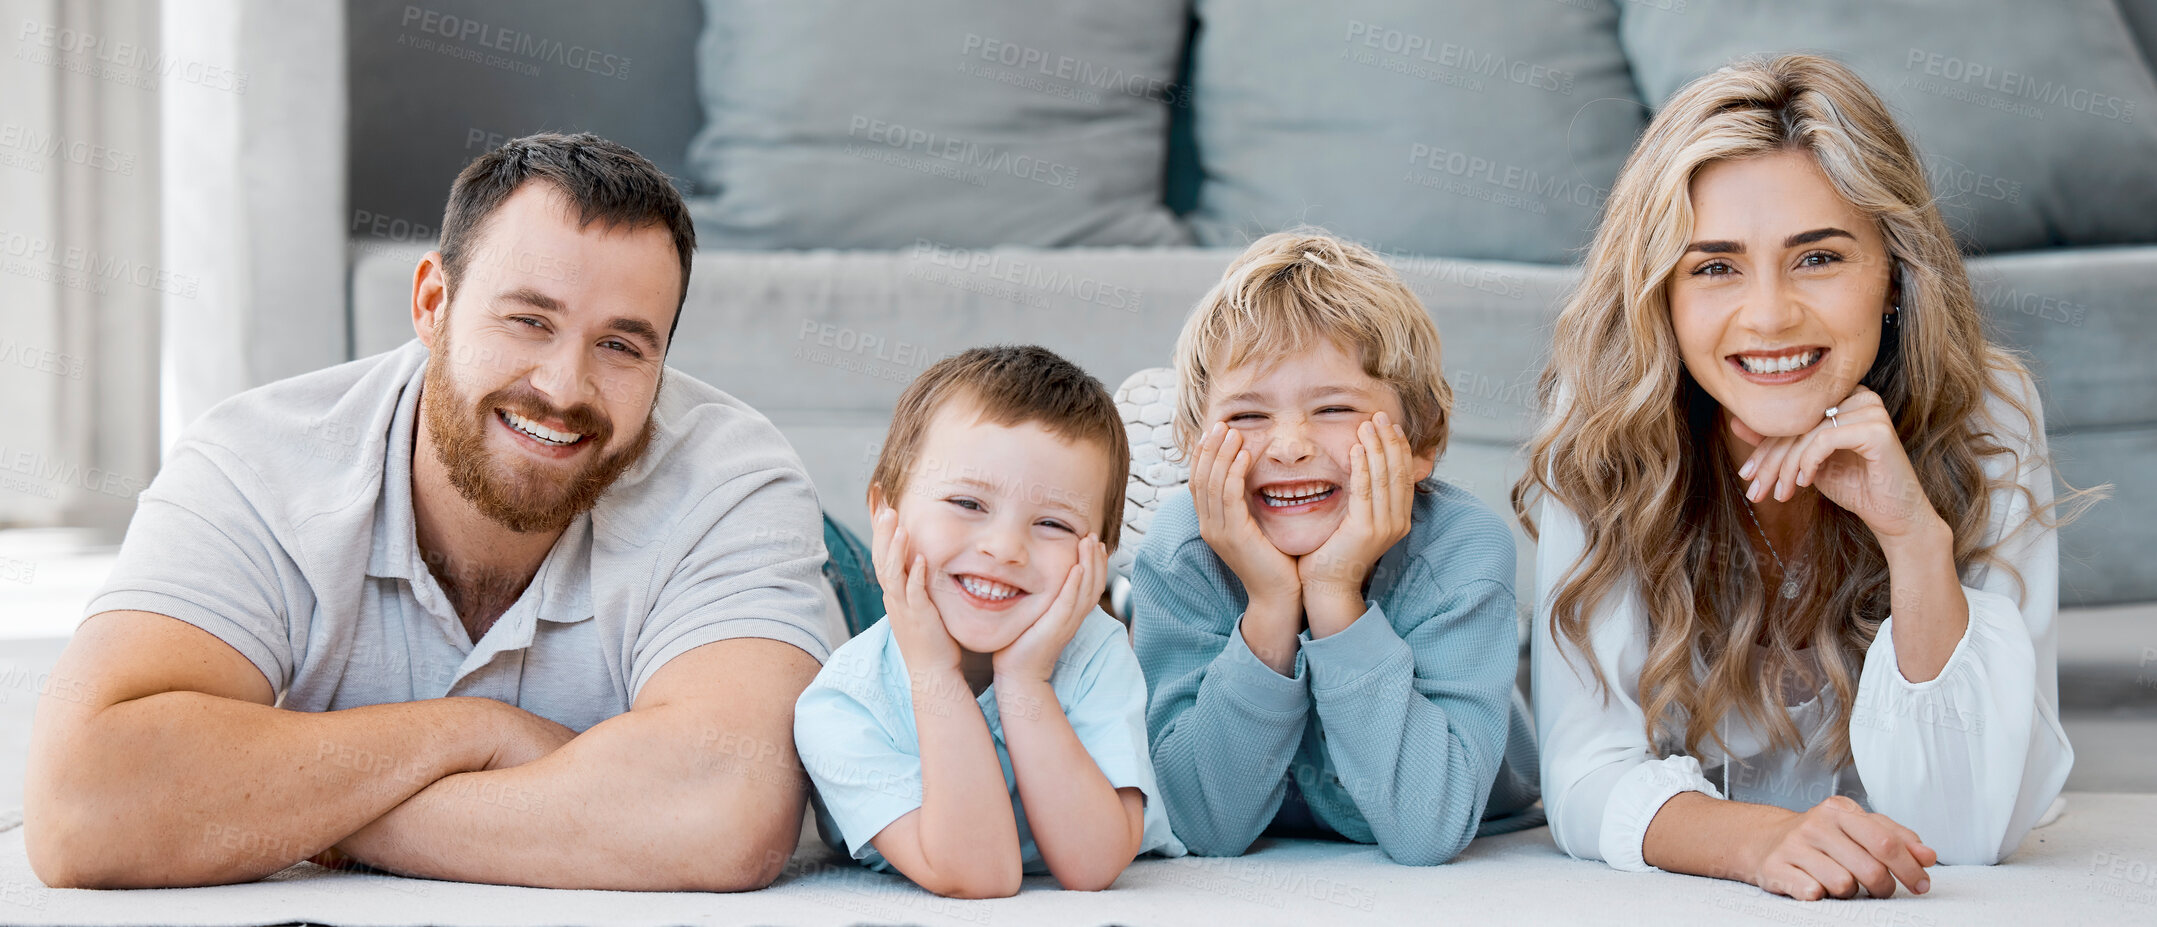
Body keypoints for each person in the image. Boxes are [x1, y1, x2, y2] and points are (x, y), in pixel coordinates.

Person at [26, 133, 844, 890]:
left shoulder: (733, 478)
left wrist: (318, 811)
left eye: (622, 345)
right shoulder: (257, 462)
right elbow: (82, 804)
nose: (563, 388)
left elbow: (724, 812)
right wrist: (473, 730)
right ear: (431, 303)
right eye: (529, 320)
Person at [1515, 55, 2092, 901]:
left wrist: (1913, 539)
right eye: (1713, 266)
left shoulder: (1988, 412)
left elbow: (1972, 828)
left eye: (1817, 258)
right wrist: (1759, 841)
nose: (1770, 314)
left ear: (1892, 273)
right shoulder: (1603, 423)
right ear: (1661, 297)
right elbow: (1582, 776)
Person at [1131, 231, 1540, 867]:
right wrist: (1270, 604)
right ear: (1193, 447)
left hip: (1476, 800)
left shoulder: (1463, 549)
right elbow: (1203, 824)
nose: (1289, 445)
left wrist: (1333, 593)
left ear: (1422, 442)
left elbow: (1425, 828)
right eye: (1246, 416)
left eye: (1333, 408)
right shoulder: (1186, 548)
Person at [793, 346, 1184, 898]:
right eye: (968, 504)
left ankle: (1147, 585)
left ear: (1099, 554)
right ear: (886, 513)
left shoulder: (1095, 652)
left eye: (1052, 523)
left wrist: (1026, 680)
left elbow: (1093, 865)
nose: (1004, 548)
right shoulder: (842, 706)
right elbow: (980, 875)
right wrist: (932, 671)